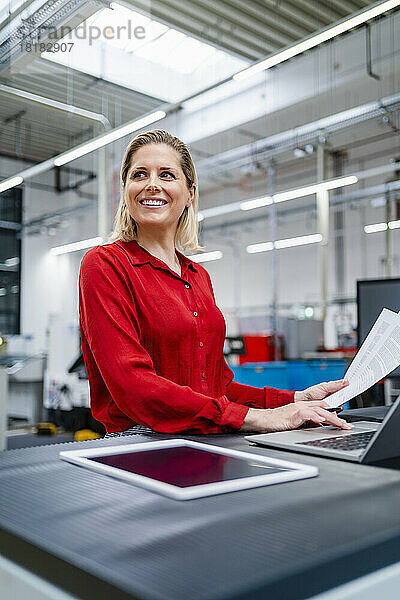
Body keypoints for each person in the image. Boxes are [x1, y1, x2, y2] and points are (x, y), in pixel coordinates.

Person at [79, 130, 351, 436]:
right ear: (126, 189)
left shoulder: (198, 277)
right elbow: (132, 385)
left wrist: (294, 399)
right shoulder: (106, 264)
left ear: (190, 193)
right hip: (141, 442)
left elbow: (216, 389)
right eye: (139, 174)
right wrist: (257, 418)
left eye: (166, 175)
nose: (152, 184)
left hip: (205, 435)